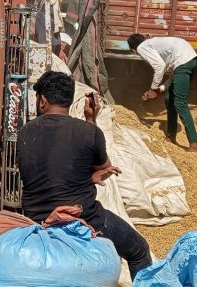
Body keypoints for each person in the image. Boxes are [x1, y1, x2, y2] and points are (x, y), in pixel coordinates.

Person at [17, 71, 152, 280]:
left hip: (36, 219)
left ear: (42, 100)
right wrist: (91, 120)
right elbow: (102, 167)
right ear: (70, 100)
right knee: (140, 251)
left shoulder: (24, 133)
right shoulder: (89, 132)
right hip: (85, 219)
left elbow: (47, 172)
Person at [127, 34, 197, 152]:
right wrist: (159, 89)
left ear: (133, 50)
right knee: (169, 99)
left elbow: (159, 66)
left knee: (180, 103)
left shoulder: (141, 47)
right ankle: (171, 138)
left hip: (184, 63)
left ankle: (193, 145)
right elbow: (173, 77)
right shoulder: (154, 45)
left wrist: (152, 89)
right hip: (192, 61)